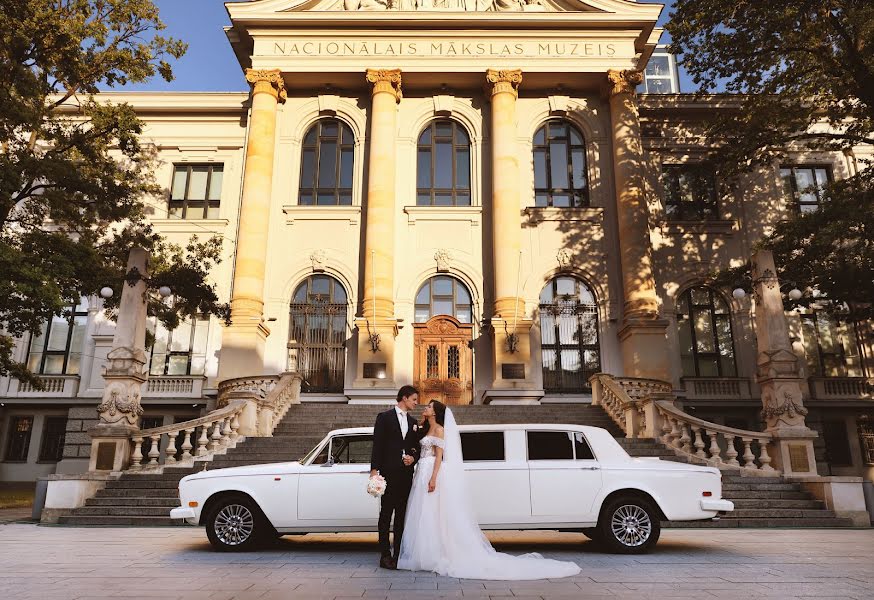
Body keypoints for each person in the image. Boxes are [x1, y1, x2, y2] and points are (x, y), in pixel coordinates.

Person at [397, 400, 581, 580]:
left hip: (431, 473)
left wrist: (433, 478)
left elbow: (439, 457)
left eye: (429, 406)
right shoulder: (423, 428)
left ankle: (437, 554)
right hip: (421, 471)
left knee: (435, 513)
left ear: (436, 412)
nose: (425, 407)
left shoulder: (439, 429)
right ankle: (427, 552)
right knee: (426, 514)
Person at [369, 385, 421, 569]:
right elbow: (378, 445)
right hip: (388, 474)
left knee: (401, 516)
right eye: (414, 399)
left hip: (406, 476)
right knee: (385, 515)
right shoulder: (384, 418)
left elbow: (416, 446)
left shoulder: (414, 421)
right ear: (404, 398)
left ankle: (398, 554)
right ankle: (385, 555)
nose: (416, 403)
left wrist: (412, 458)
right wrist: (374, 470)